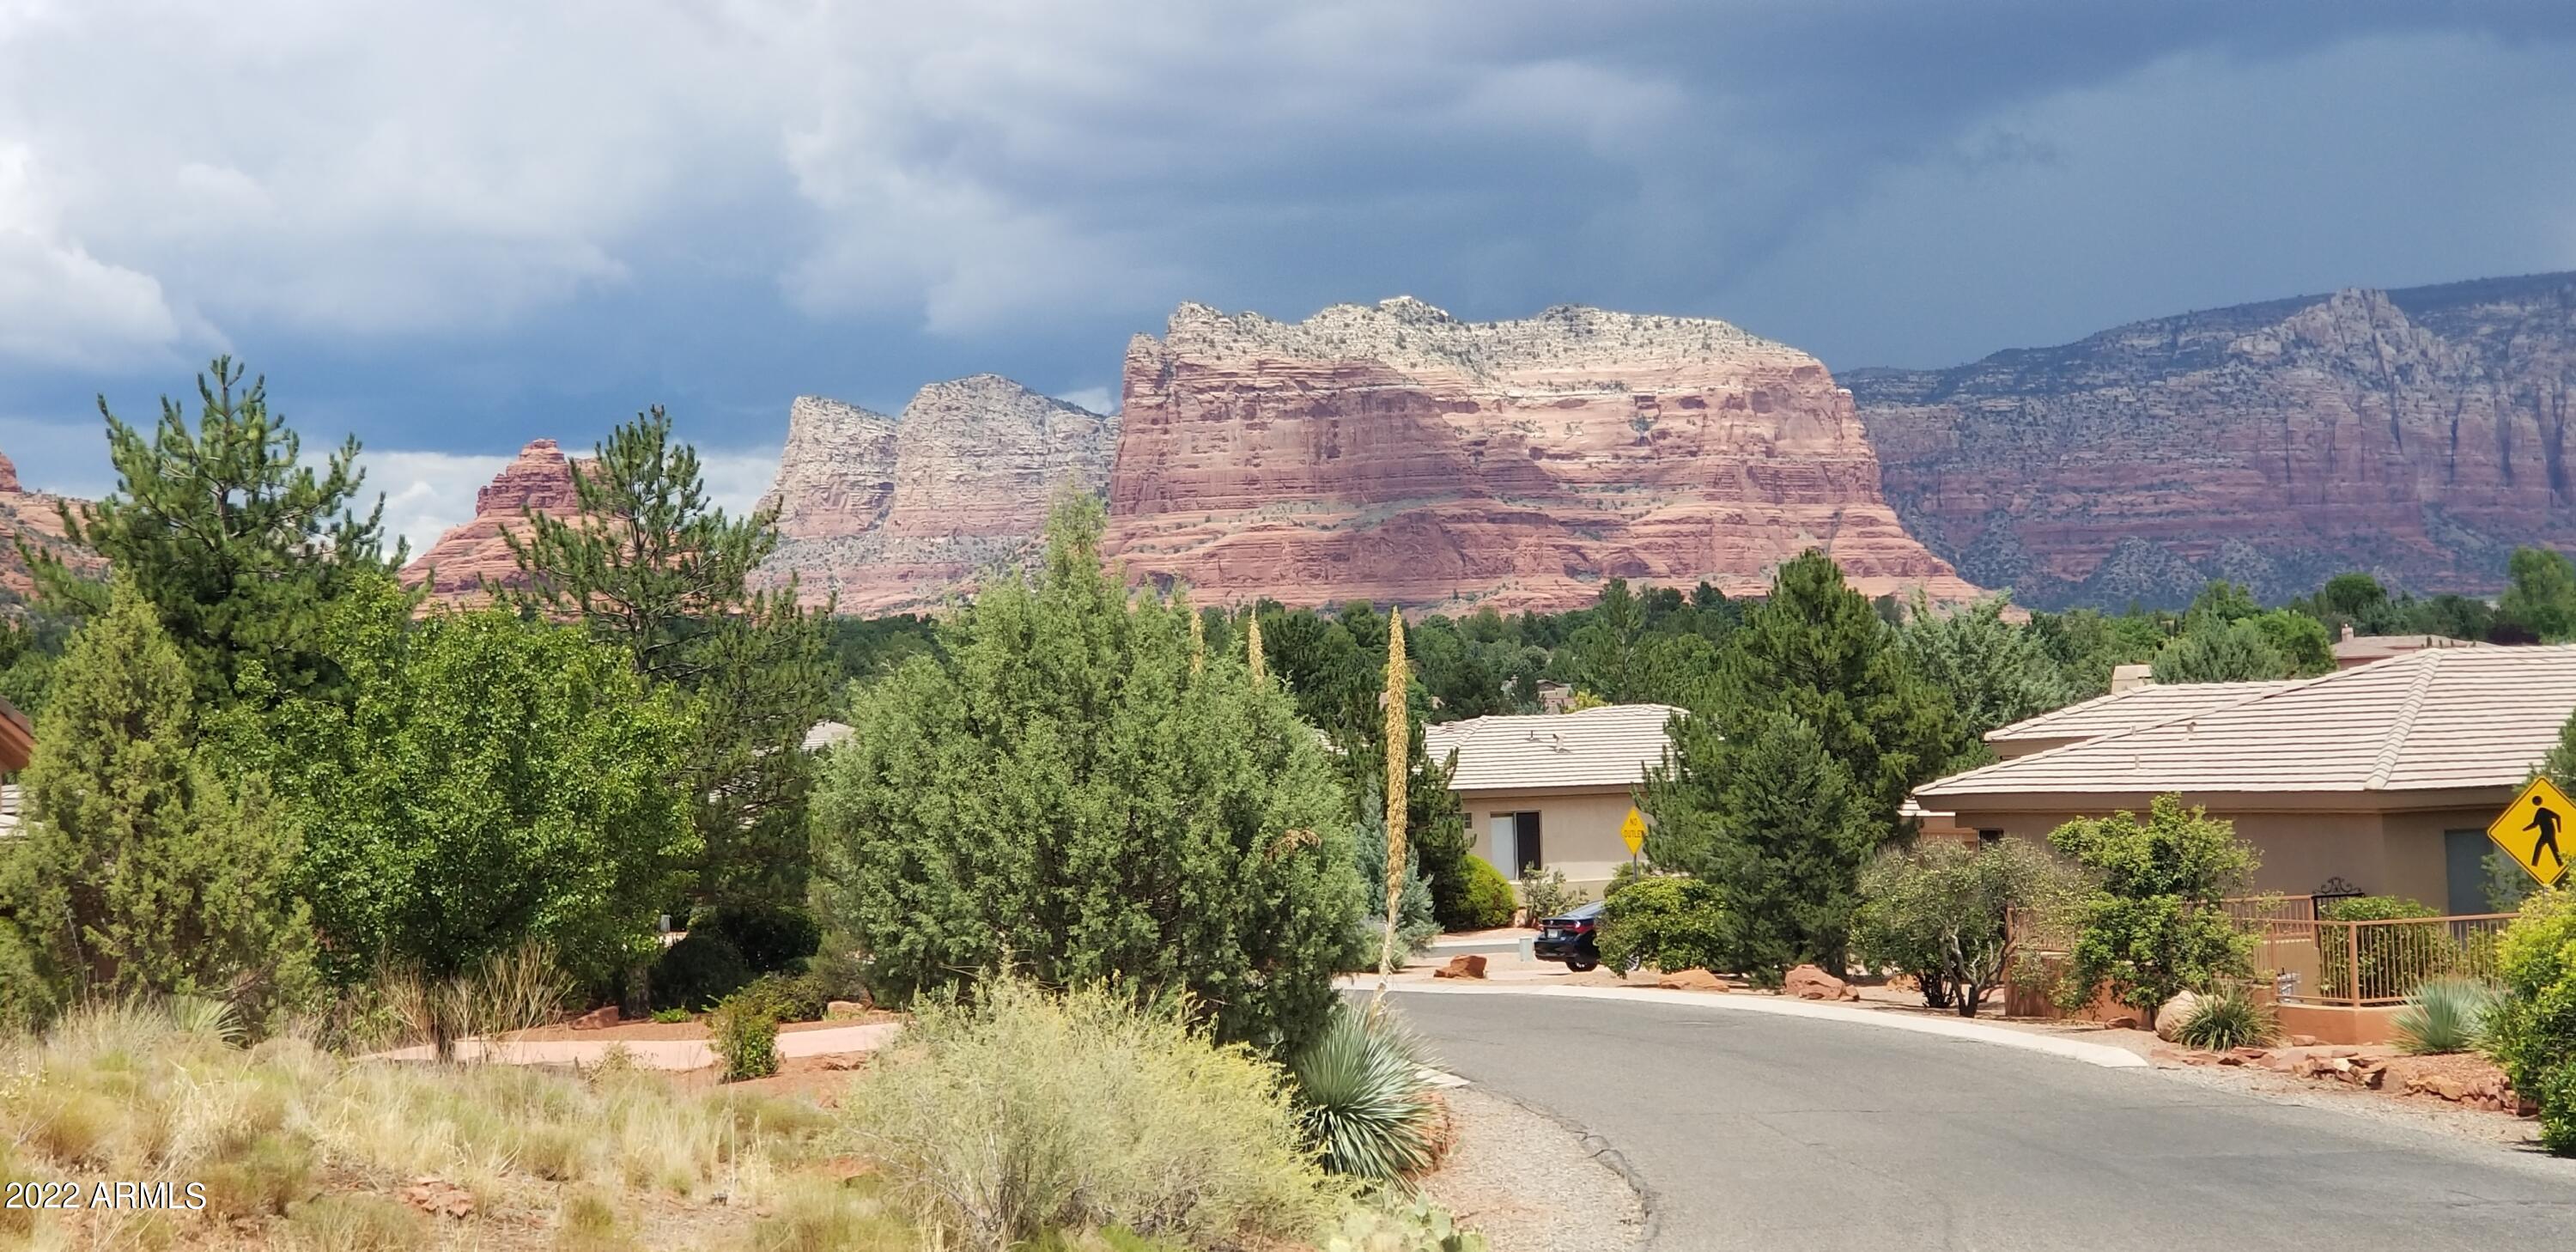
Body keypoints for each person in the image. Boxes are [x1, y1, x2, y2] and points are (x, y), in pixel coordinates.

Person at [2524, 796, 2565, 873]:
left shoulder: (2542, 810)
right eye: (2535, 801)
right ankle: (2534, 866)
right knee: (2542, 847)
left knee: (2552, 849)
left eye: (2537, 801)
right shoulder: (2539, 812)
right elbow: (2535, 824)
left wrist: (2559, 830)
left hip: (2549, 833)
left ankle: (2560, 866)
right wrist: (2524, 829)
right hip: (2545, 833)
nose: (2536, 803)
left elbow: (2558, 817)